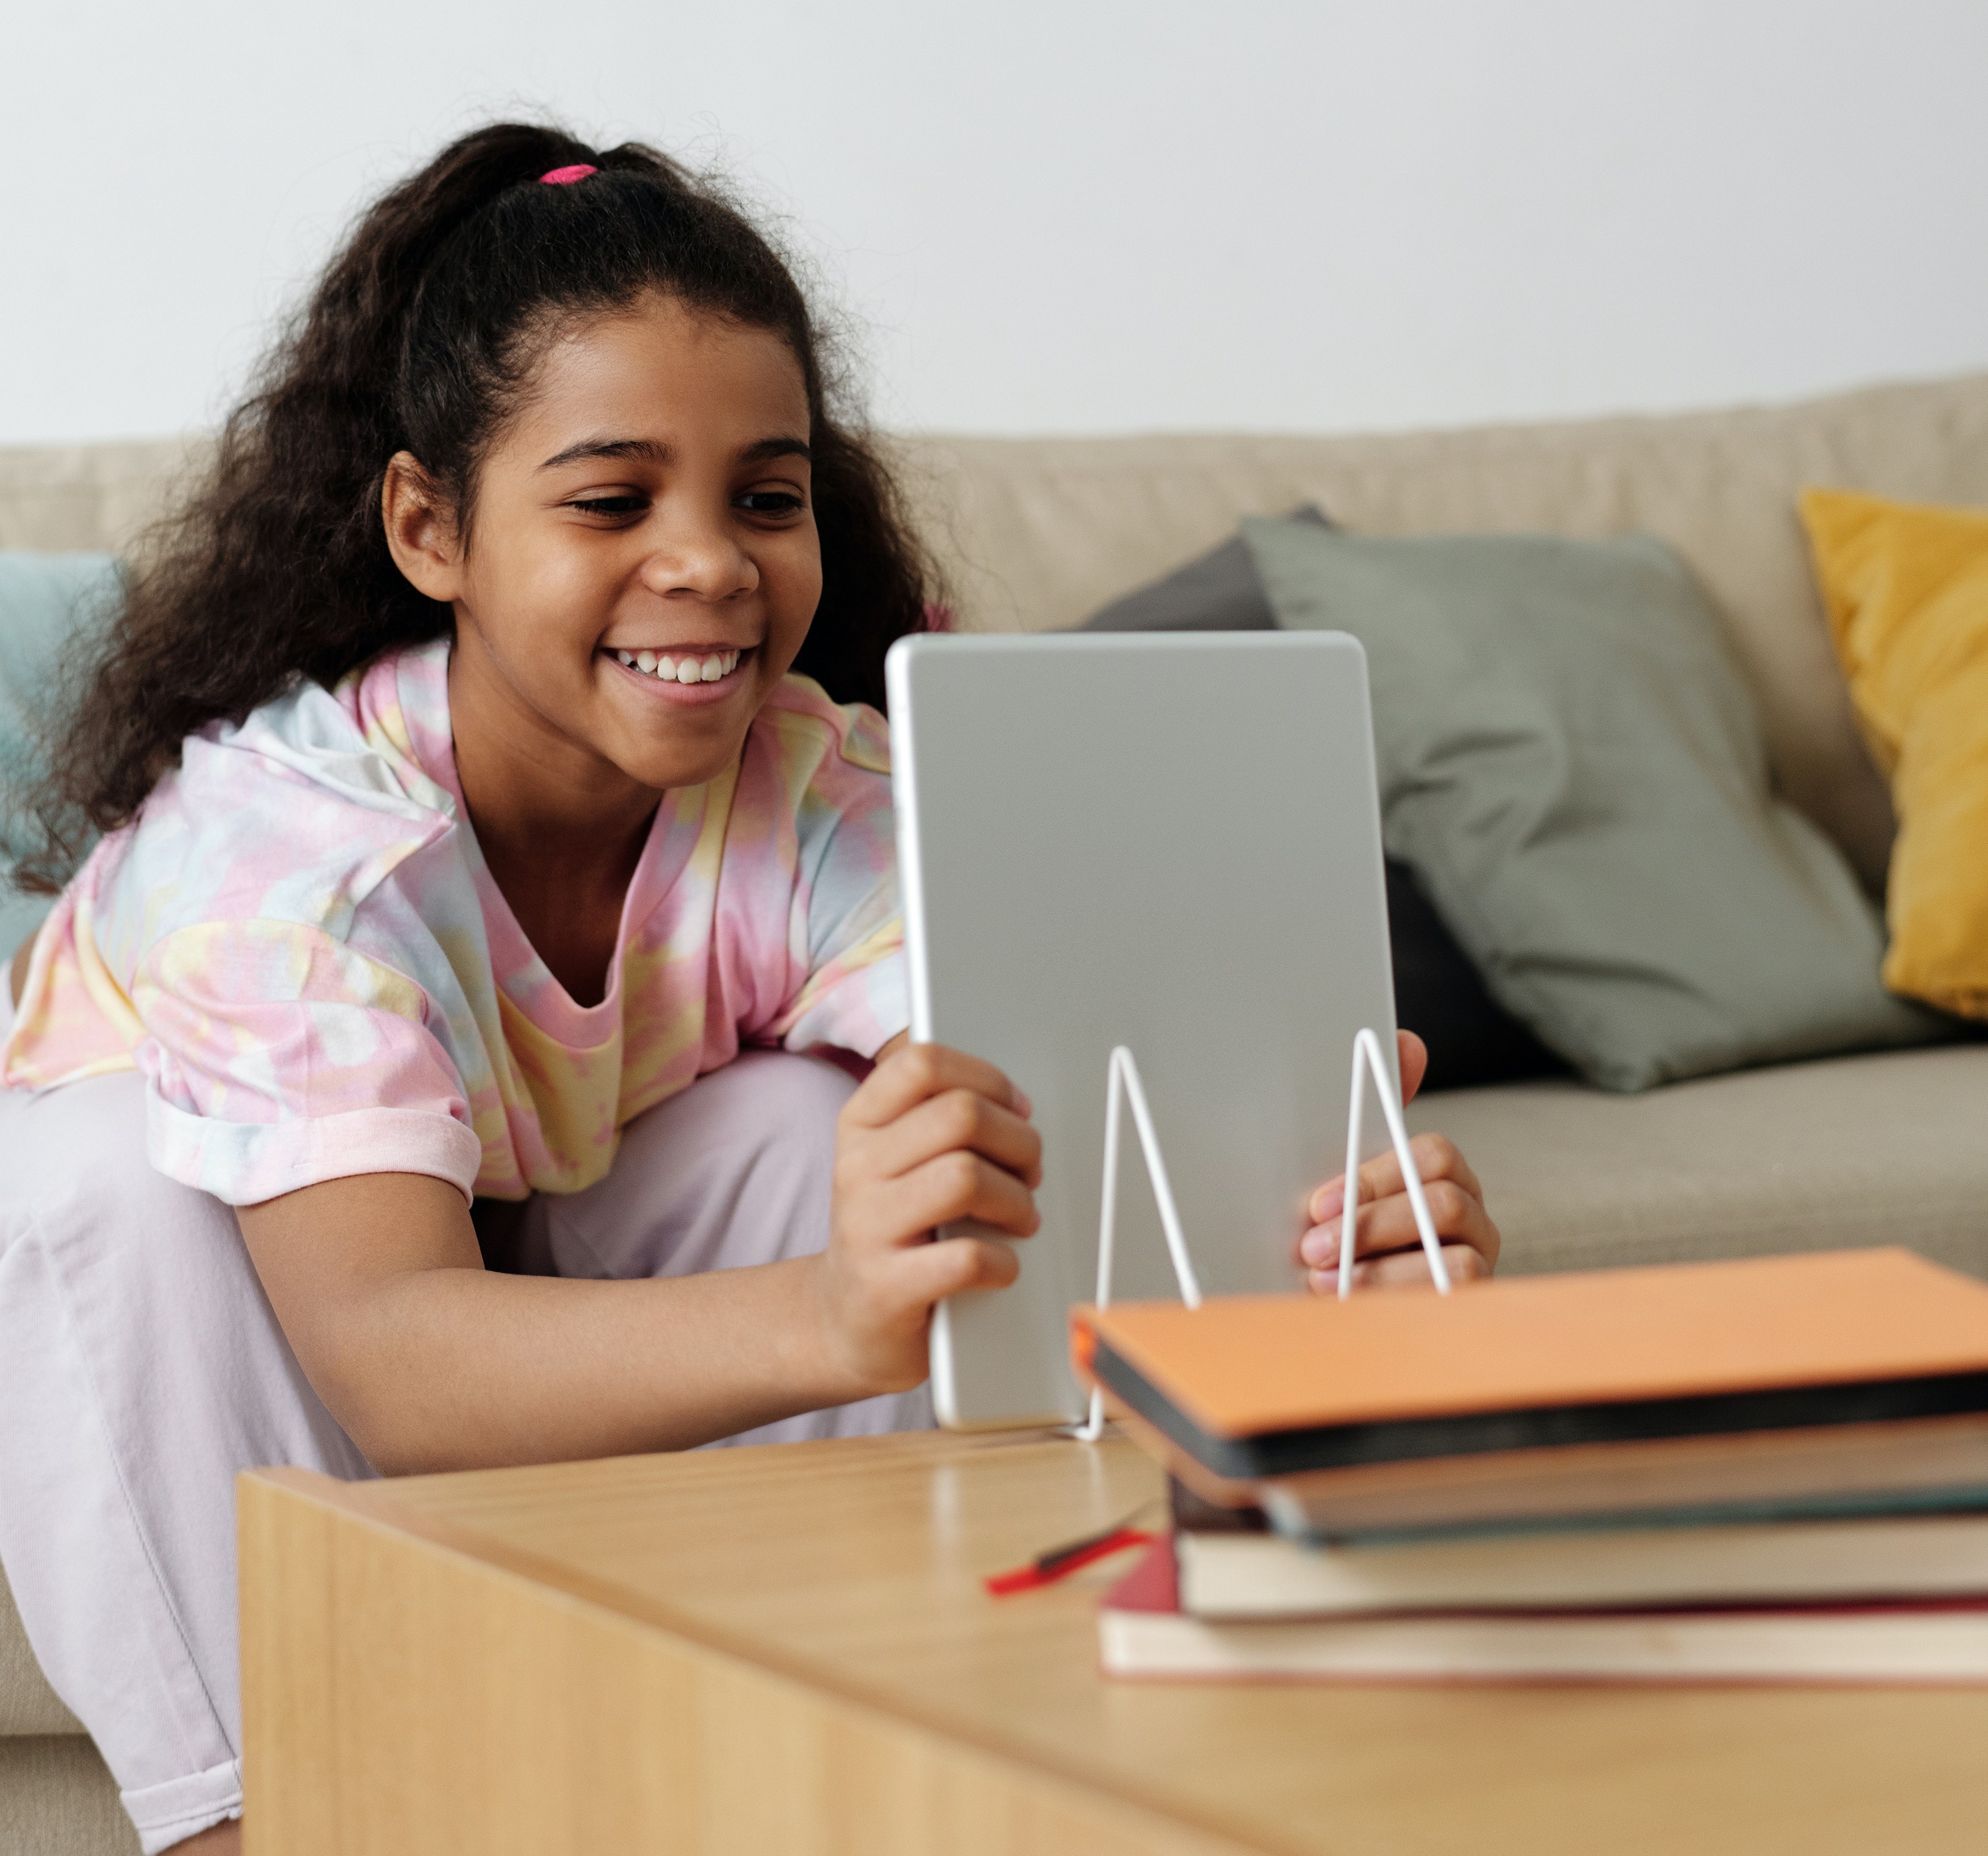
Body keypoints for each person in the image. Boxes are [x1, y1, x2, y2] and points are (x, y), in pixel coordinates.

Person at [0, 125, 1499, 1854]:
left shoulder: (802, 788)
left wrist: (1331, 1246)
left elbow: (1070, 1102)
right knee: (99, 1179)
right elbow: (391, 1353)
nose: (707, 561)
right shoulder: (281, 857)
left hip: (534, 1234)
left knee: (835, 1131)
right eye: (610, 498)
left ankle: (855, 1760)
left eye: (762, 497)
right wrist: (824, 1315)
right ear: (431, 528)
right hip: (259, 1317)